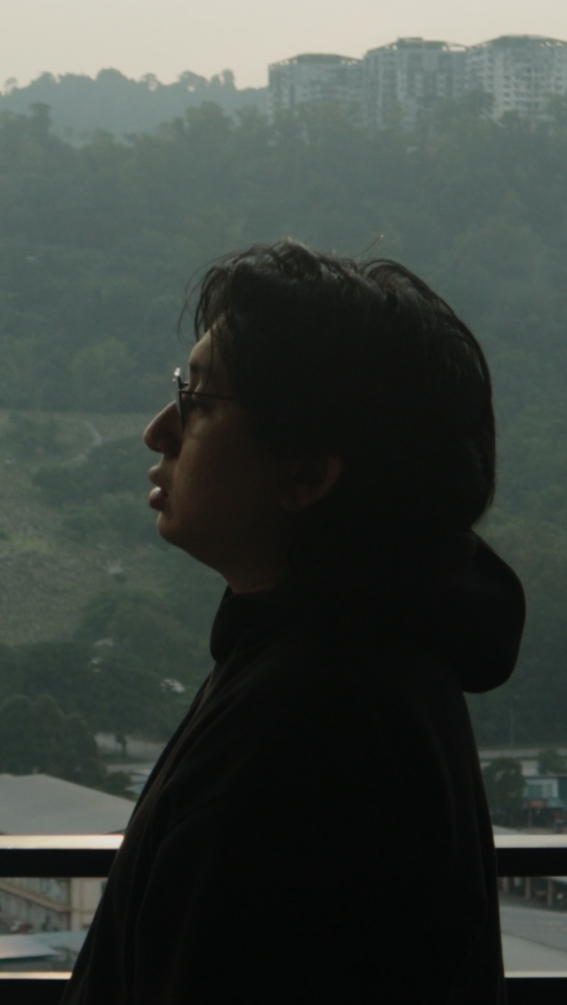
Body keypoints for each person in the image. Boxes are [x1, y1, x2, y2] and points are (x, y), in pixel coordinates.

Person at [61, 240, 525, 1003]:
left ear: (307, 475)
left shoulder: (303, 725)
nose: (158, 431)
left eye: (199, 403)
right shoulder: (372, 659)